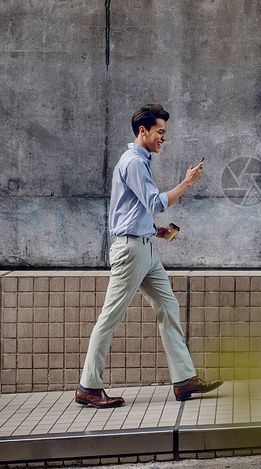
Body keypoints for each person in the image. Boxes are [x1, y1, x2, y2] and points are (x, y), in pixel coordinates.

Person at [75, 104, 222, 408]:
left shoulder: (139, 161)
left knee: (168, 306)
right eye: (160, 131)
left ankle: (184, 380)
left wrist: (157, 232)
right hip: (131, 252)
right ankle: (88, 386)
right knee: (110, 317)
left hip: (144, 247)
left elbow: (133, 211)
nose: (163, 138)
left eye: (165, 132)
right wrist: (187, 183)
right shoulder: (134, 162)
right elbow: (155, 202)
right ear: (143, 131)